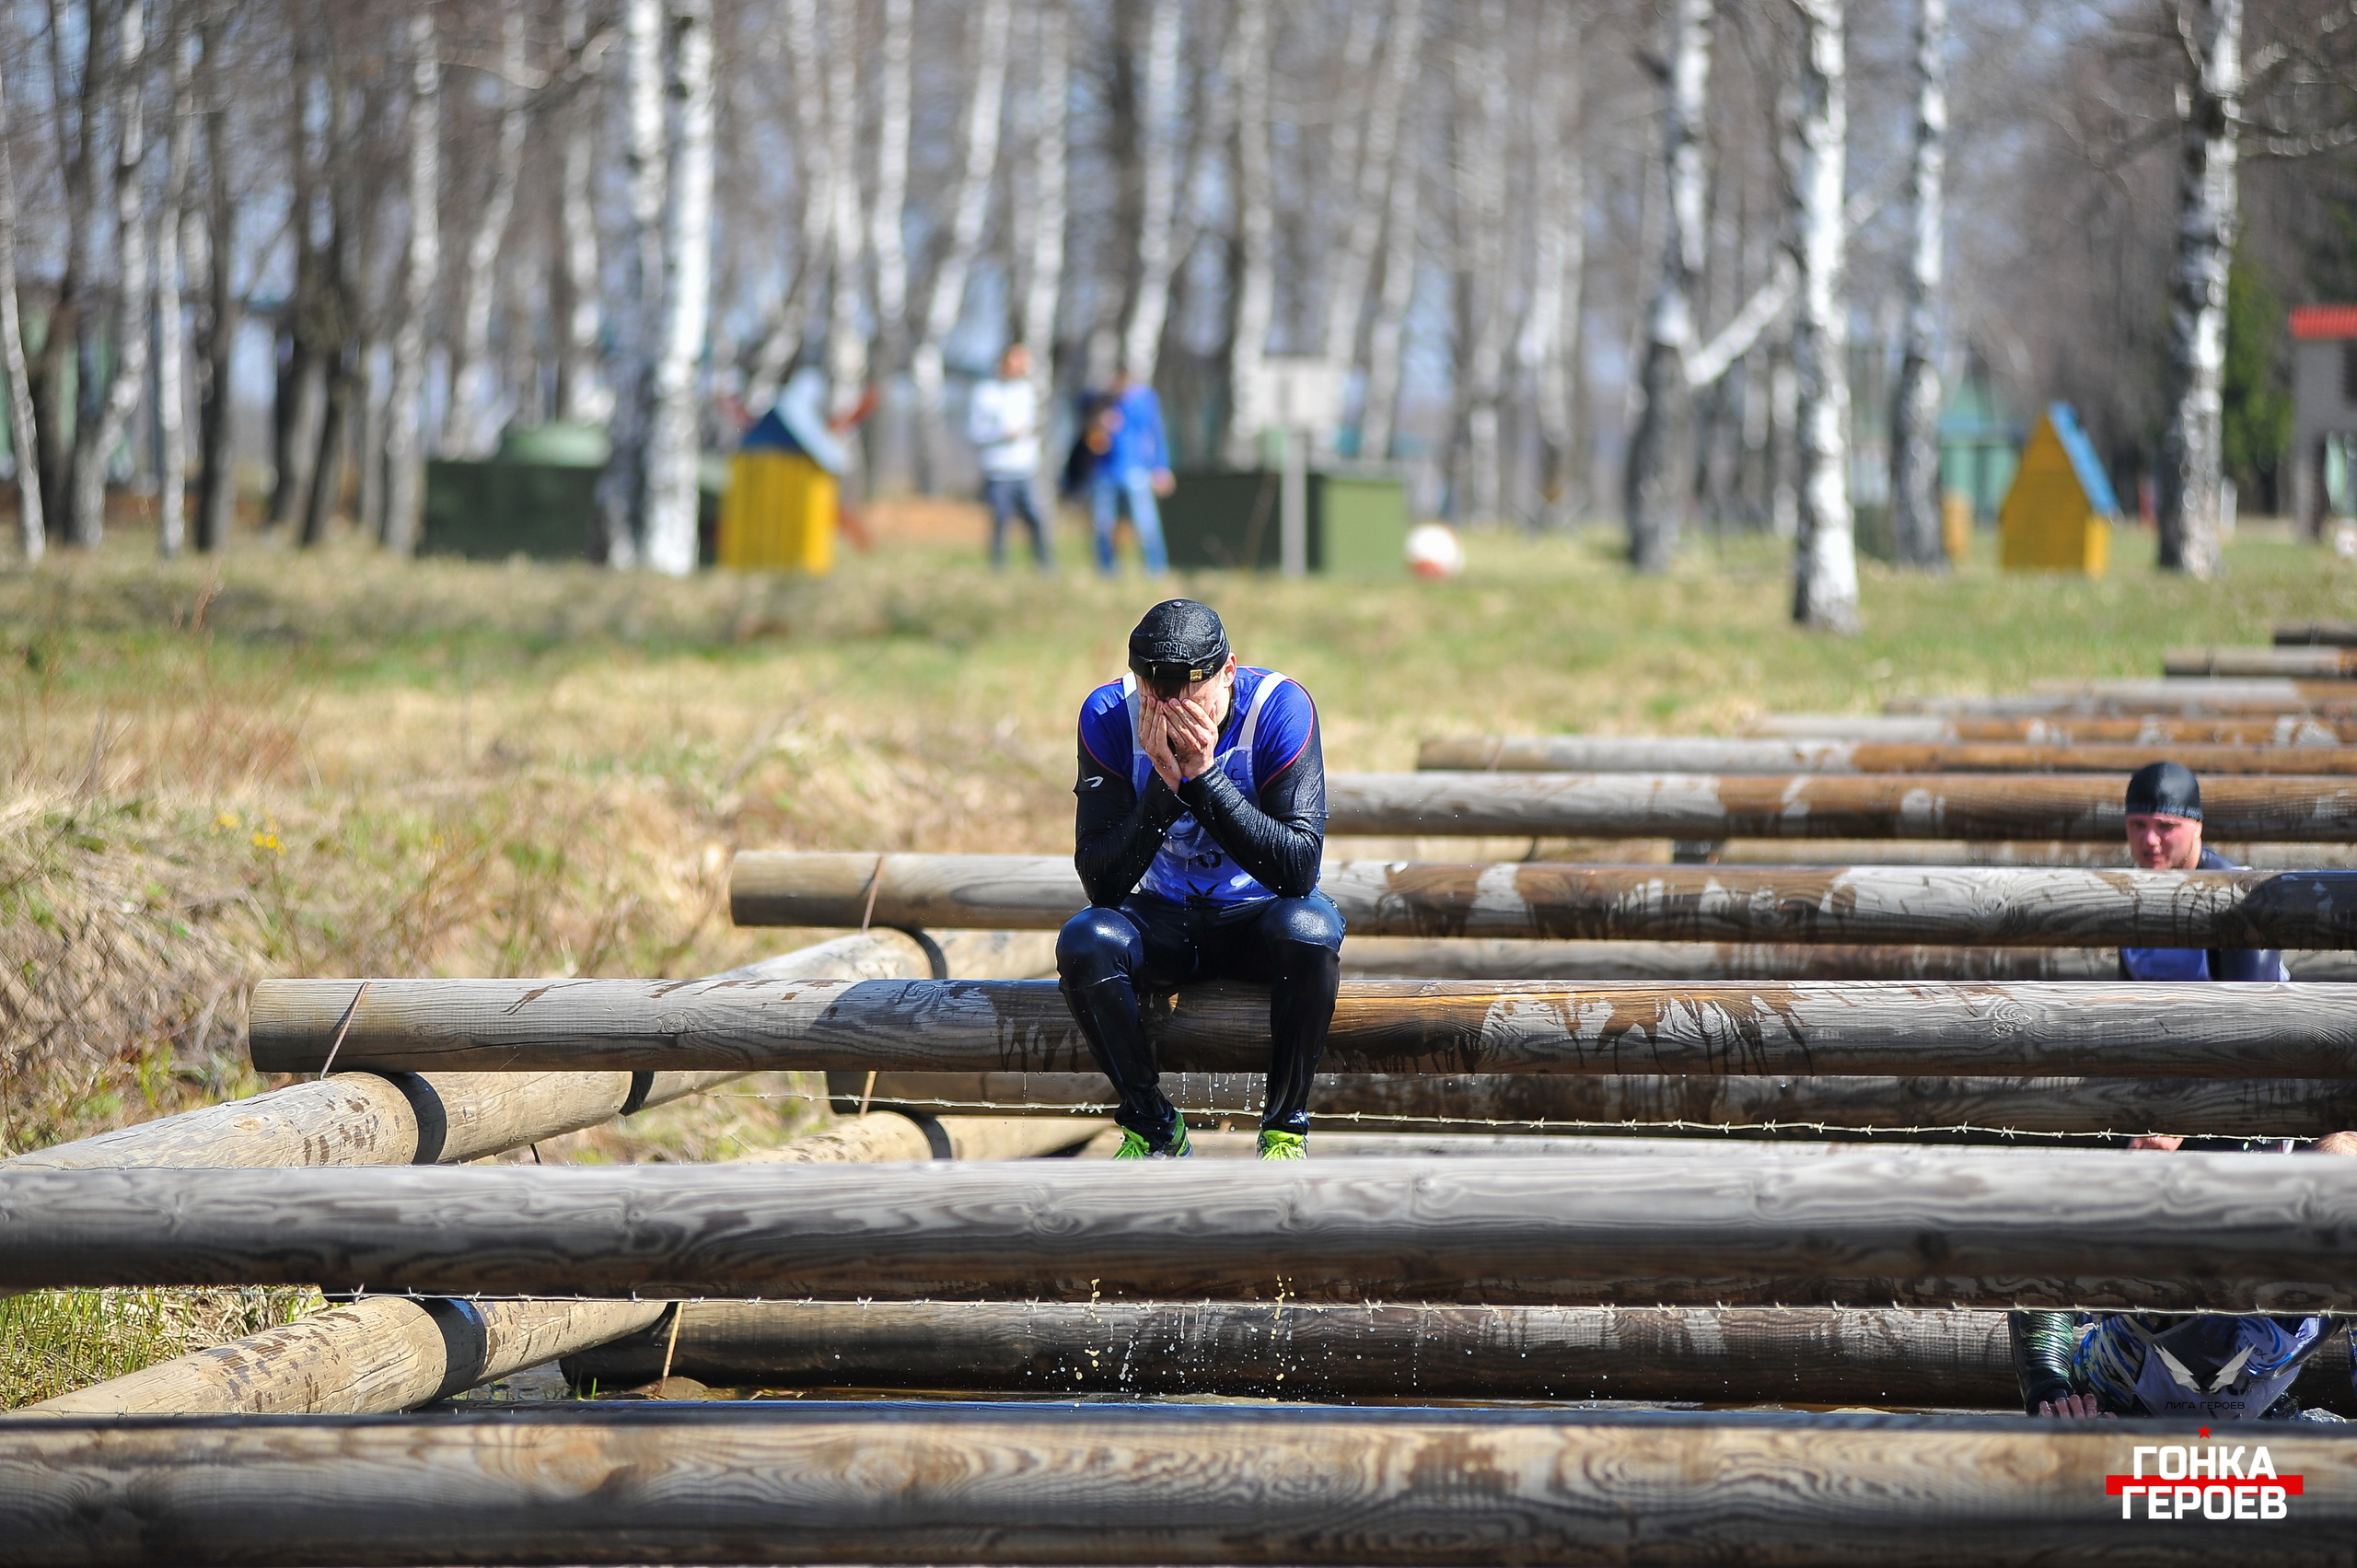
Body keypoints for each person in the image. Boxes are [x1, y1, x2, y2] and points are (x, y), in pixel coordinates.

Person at [2005, 759, 2356, 1422]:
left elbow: (2252, 1048)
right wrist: (2050, 1390)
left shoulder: (2231, 902)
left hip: (2252, 1114)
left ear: (2195, 827)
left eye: (2165, 827)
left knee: (2339, 1168)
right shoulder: (2135, 899)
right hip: (2163, 1328)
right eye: (2138, 827)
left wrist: (2180, 1121)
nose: (2150, 843)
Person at [1056, 599, 1341, 1159]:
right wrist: (1164, 787)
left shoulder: (1279, 708)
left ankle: (1285, 1129)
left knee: (1309, 928)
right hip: (1163, 919)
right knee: (1086, 940)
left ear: (1228, 671)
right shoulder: (1110, 715)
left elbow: (1298, 869)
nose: (1172, 710)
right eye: (1155, 694)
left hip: (1257, 918)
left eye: (1191, 692)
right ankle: (1153, 1127)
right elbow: (1101, 882)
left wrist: (1206, 777)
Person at [966, 344, 1052, 570]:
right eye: (1015, 362)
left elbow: (1037, 426)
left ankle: (1044, 565)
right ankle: (999, 567)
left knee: (1036, 518)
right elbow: (975, 431)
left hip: (1025, 466)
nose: (1020, 367)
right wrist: (1002, 434)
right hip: (998, 468)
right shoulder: (985, 393)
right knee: (1001, 520)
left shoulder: (1028, 391)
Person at [1086, 371, 1174, 575]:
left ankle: (1156, 570)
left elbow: (1156, 435)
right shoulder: (1100, 402)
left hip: (1136, 473)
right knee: (1103, 526)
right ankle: (1107, 570)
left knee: (1146, 526)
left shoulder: (1145, 400)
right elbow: (1091, 441)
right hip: (1105, 474)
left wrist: (1161, 467)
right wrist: (1100, 424)